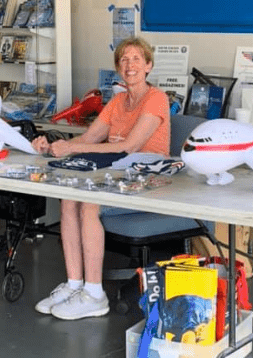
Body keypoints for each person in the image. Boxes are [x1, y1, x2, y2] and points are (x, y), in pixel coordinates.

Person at [31, 37, 170, 320]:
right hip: (116, 172)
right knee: (69, 197)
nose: (129, 65)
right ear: (118, 68)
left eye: (135, 59)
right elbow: (88, 138)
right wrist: (55, 146)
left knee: (90, 203)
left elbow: (128, 146)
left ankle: (95, 294)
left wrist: (73, 147)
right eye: (123, 60)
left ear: (148, 66)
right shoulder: (118, 101)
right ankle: (74, 284)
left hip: (149, 179)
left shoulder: (156, 99)